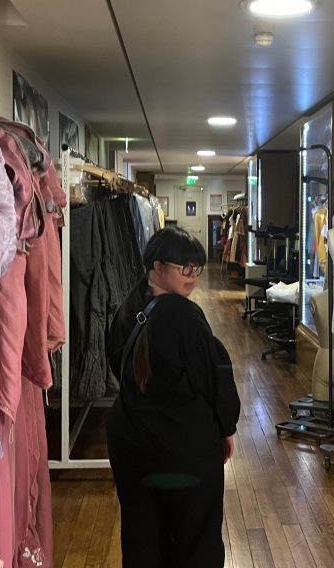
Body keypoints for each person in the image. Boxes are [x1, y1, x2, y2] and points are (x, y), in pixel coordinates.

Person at [106, 227, 242, 567]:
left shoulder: (127, 310)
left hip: (133, 446)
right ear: (157, 266)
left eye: (197, 267)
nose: (193, 276)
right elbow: (214, 375)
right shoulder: (184, 315)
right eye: (185, 268)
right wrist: (226, 426)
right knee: (196, 542)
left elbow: (116, 367)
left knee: (141, 538)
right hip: (186, 450)